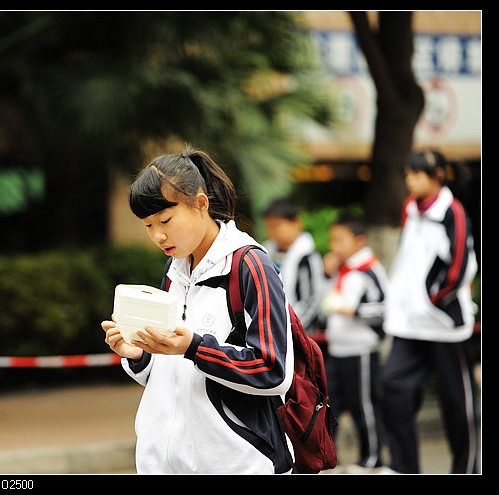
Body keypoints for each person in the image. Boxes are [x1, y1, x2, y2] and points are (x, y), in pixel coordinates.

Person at [100, 146, 295, 474]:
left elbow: (273, 371)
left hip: (238, 465)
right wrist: (137, 354)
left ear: (201, 204)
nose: (158, 235)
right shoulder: (174, 271)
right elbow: (169, 376)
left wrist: (193, 347)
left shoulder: (250, 266)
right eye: (148, 226)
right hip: (164, 465)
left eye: (165, 219)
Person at [380, 149, 480, 474]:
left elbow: (462, 266)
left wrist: (433, 300)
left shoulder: (453, 210)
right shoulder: (411, 208)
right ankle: (403, 467)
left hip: (443, 325)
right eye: (408, 172)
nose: (410, 179)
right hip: (408, 325)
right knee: (394, 389)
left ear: (437, 177)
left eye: (417, 173)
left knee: (456, 405)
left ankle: (464, 470)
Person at [320, 210, 388, 473]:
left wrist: (355, 310)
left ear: (359, 241)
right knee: (331, 403)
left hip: (361, 349)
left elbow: (383, 307)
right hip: (339, 348)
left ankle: (371, 458)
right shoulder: (342, 270)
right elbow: (327, 302)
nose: (334, 246)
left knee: (364, 406)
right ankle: (329, 459)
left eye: (340, 240)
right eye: (332, 240)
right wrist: (327, 276)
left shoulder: (370, 269)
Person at [262, 197, 325, 336]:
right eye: (268, 227)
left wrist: (290, 329)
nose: (271, 232)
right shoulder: (265, 253)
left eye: (276, 226)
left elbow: (312, 301)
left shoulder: (306, 256)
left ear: (296, 223)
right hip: (271, 330)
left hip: (299, 333)